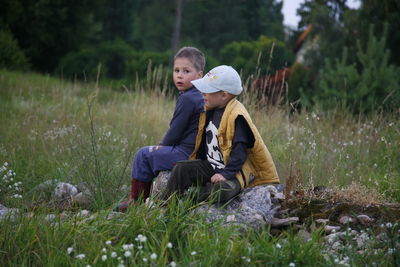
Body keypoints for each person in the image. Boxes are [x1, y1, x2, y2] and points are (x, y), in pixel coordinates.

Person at [164, 65, 280, 204]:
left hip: (234, 172)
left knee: (222, 191)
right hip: (212, 165)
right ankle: (165, 202)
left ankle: (193, 198)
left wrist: (226, 174)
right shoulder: (210, 109)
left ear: (223, 95)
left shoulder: (237, 116)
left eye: (207, 91)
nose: (202, 94)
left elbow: (239, 152)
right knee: (181, 168)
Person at [115, 47, 205, 211]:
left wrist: (161, 147)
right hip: (197, 152)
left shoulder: (188, 99)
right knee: (150, 154)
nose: (179, 75)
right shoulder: (200, 95)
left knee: (143, 155)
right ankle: (146, 198)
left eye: (186, 71)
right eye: (176, 70)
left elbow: (175, 130)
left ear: (199, 75)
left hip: (186, 153)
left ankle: (135, 201)